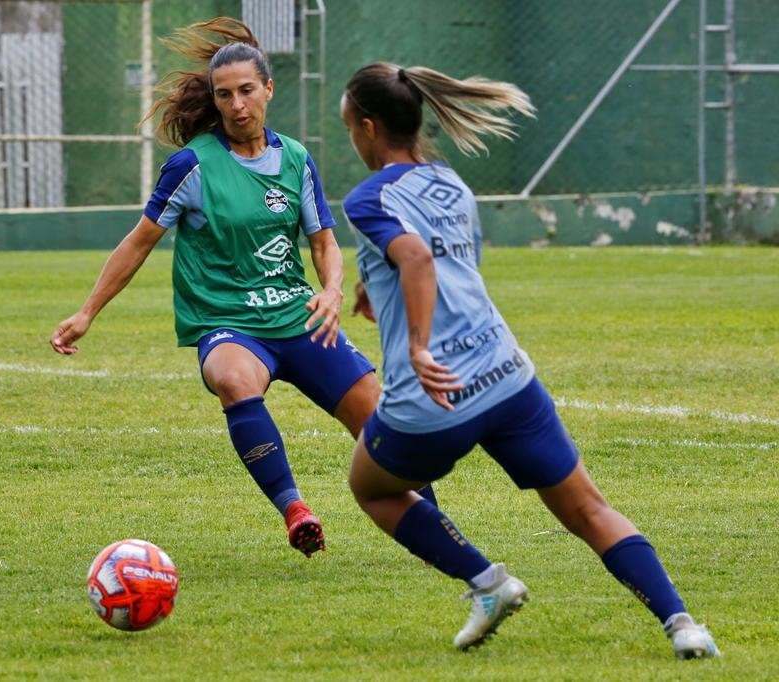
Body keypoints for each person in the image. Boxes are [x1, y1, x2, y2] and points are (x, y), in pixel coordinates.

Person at [340, 62, 720, 659]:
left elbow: (416, 259)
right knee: (589, 509)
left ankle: (487, 583)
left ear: (366, 127)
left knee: (372, 487)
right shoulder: (452, 185)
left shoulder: (369, 195)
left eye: (349, 128)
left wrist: (416, 345)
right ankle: (683, 625)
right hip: (509, 378)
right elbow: (448, 264)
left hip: (435, 392)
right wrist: (375, 287)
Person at [50, 18, 433, 558]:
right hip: (227, 322)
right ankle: (294, 509)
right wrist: (87, 312)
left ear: (268, 89)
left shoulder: (295, 159)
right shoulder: (192, 166)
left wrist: (331, 290)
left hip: (296, 314)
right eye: (224, 94)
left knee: (380, 420)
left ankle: (433, 525)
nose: (236, 104)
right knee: (233, 379)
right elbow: (138, 243)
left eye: (247, 90)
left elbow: (324, 242)